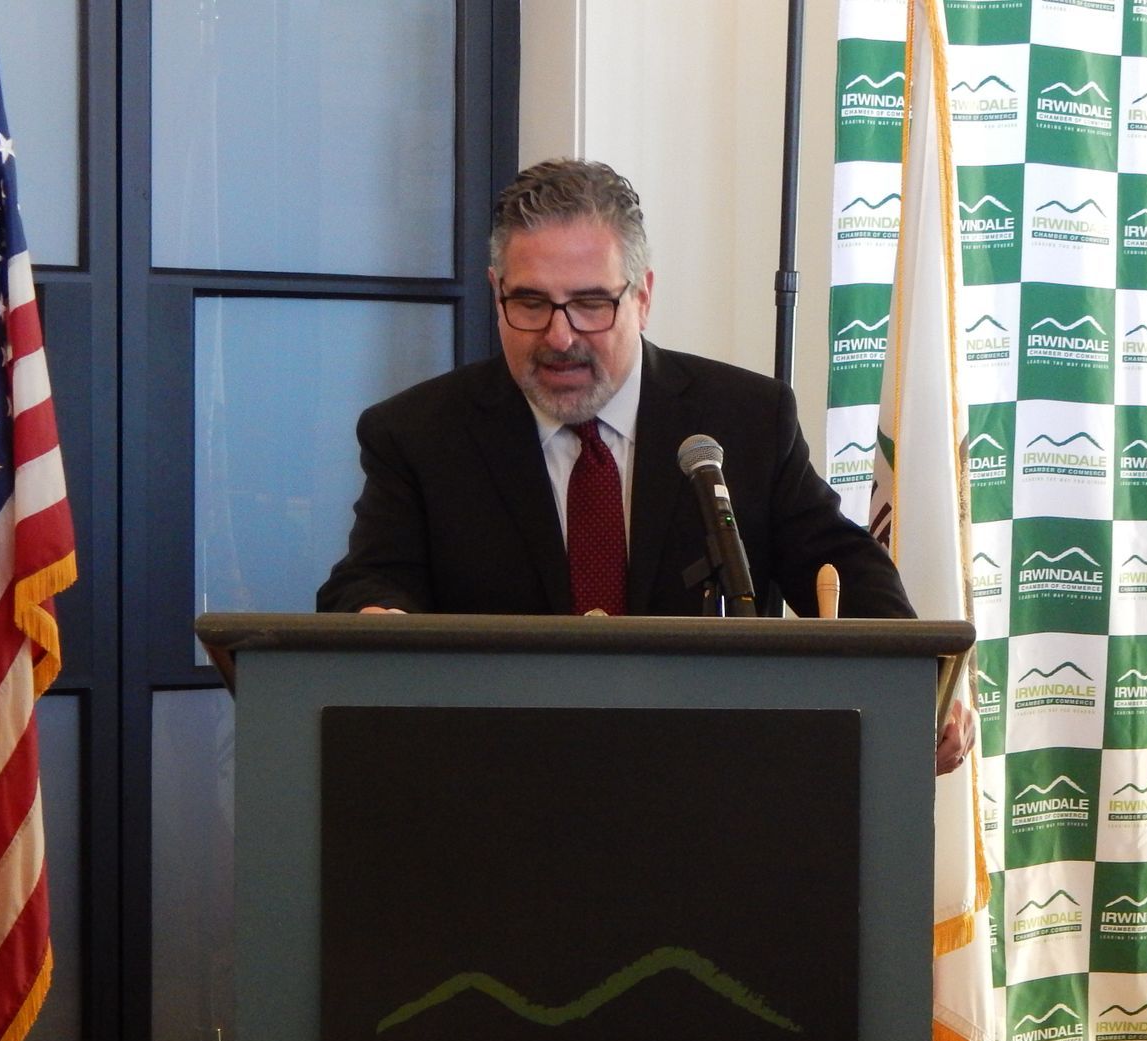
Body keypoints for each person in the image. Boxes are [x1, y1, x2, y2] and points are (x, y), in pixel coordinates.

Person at [318, 157, 971, 773]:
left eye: (590, 303)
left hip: (708, 779)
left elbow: (836, 560)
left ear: (643, 296)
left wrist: (916, 682)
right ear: (496, 294)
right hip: (496, 776)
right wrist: (379, 619)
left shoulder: (744, 418)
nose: (560, 336)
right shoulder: (419, 433)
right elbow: (371, 582)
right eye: (531, 303)